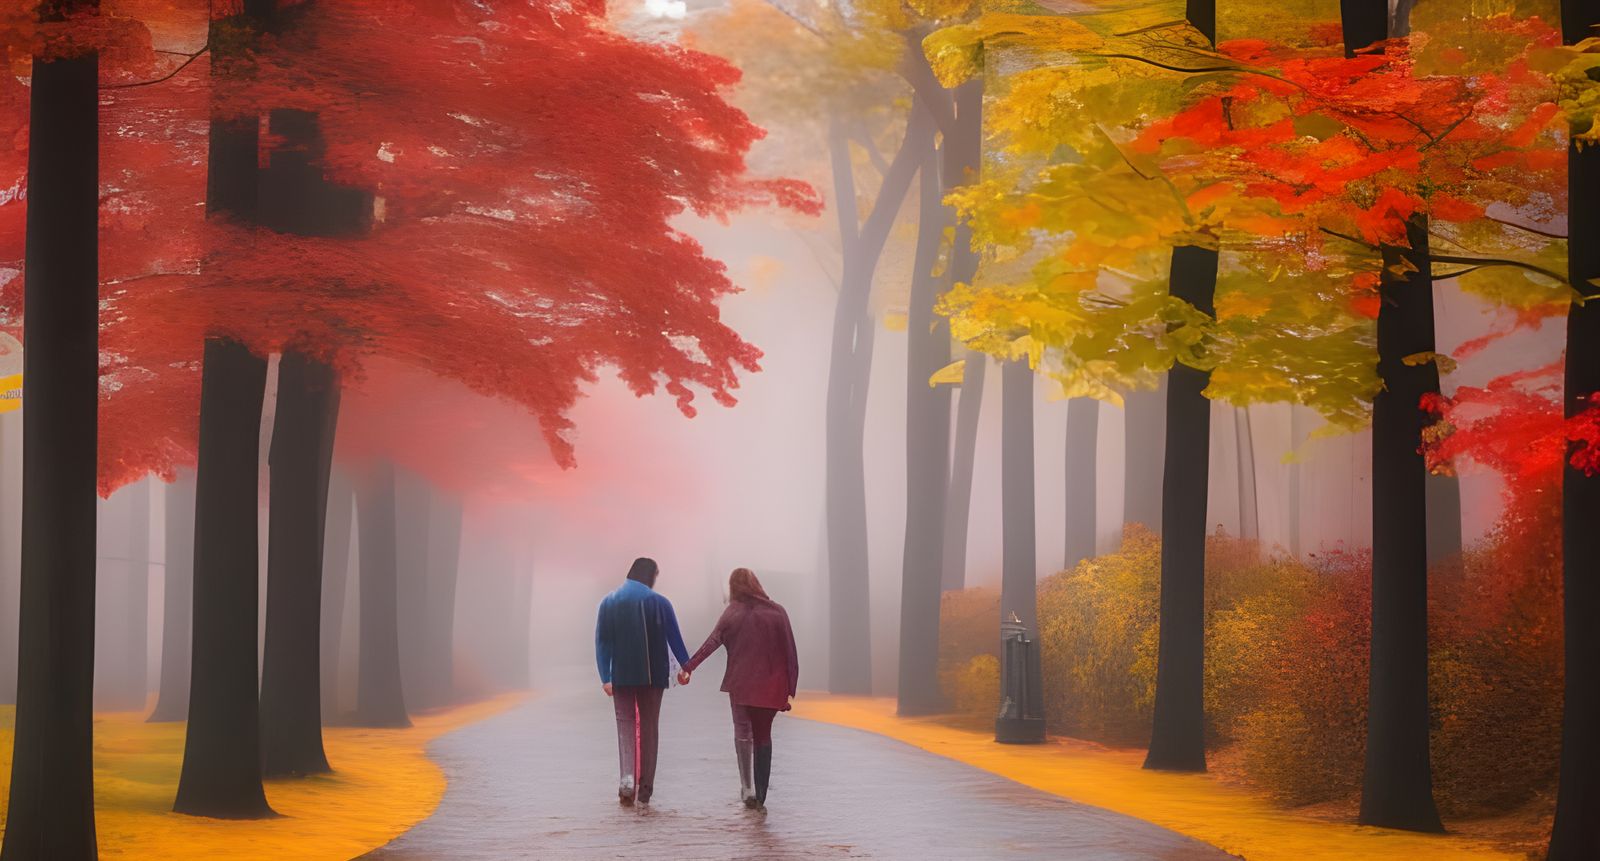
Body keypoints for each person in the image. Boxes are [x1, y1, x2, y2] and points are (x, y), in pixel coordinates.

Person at [680, 568, 799, 811]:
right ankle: (762, 794)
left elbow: (711, 642)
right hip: (771, 687)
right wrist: (789, 689)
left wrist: (688, 667)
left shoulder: (732, 613)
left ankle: (748, 787)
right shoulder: (778, 612)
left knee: (743, 733)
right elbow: (790, 652)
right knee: (763, 736)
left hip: (741, 685)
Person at [594, 557, 691, 805]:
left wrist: (605, 676)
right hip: (653, 676)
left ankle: (626, 781)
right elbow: (675, 638)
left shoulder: (609, 602)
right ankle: (645, 790)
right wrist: (686, 667)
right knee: (649, 729)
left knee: (625, 726)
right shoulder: (659, 603)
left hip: (621, 675)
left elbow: (602, 642)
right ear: (650, 576)